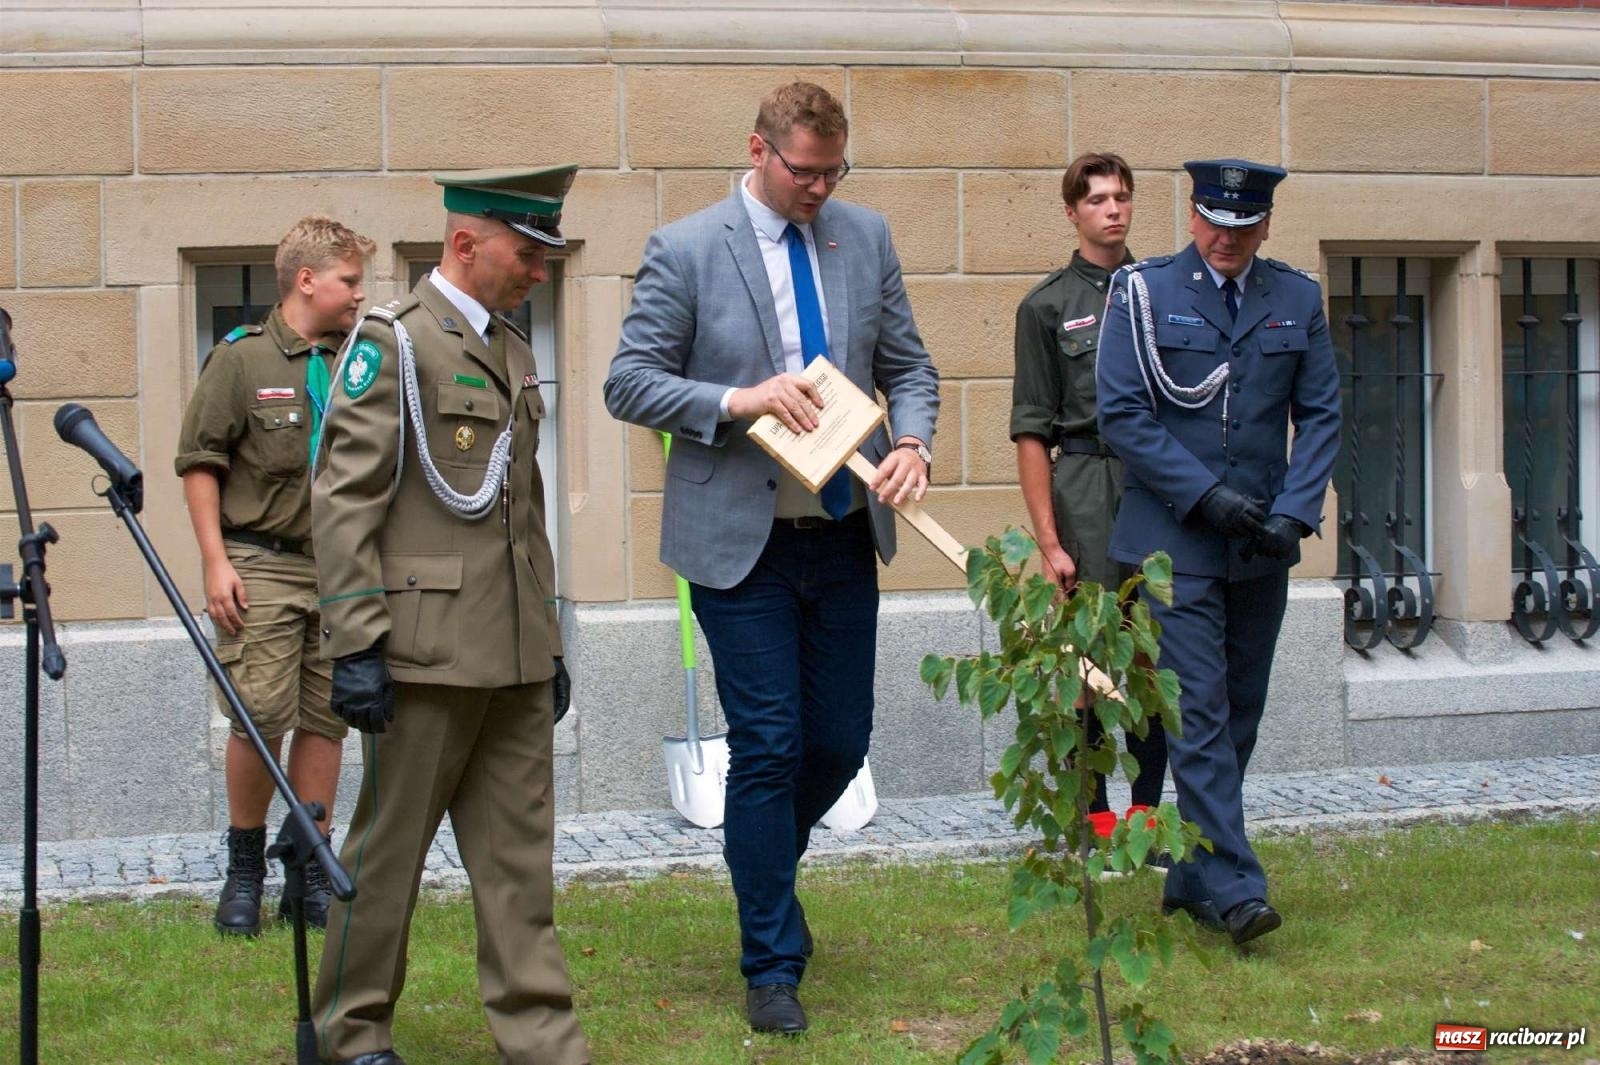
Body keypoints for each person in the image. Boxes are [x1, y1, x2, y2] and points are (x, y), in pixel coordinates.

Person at [604, 81, 940, 1035]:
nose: (820, 189)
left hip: (842, 533)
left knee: (838, 741)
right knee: (769, 743)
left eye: (835, 172)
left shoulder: (864, 237)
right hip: (735, 546)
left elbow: (910, 366)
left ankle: (764, 872)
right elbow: (628, 382)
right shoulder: (686, 246)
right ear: (758, 149)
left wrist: (911, 441)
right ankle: (771, 961)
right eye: (804, 171)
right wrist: (740, 400)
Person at [310, 166, 588, 1065]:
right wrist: (355, 642)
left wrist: (545, 636)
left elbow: (525, 509)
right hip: (420, 656)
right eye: (527, 252)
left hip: (510, 654)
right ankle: (351, 1031)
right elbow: (343, 501)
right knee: (387, 855)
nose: (540, 271)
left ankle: (543, 1040)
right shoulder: (390, 343)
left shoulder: (510, 345)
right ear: (465, 245)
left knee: (519, 863)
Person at [1095, 158, 1341, 945]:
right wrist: (1205, 496)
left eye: (1243, 226)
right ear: (1193, 215)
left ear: (1265, 224)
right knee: (1199, 711)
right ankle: (1238, 888)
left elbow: (1325, 414)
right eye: (1213, 222)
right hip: (1176, 542)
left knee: (1239, 712)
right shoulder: (1145, 293)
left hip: (1260, 544)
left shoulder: (1296, 297)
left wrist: (1297, 515)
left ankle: (1191, 871)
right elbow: (1123, 415)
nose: (1226, 238)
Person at [175, 214, 375, 937]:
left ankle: (310, 867)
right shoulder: (242, 360)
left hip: (342, 569)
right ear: (307, 280)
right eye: (350, 281)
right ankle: (245, 868)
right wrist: (214, 560)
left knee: (328, 718)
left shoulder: (362, 360)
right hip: (261, 560)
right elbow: (201, 462)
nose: (360, 294)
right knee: (260, 714)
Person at [1009, 152, 1167, 836]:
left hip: (1159, 484)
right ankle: (1097, 813)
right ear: (1072, 211)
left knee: (1154, 655)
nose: (1113, 209)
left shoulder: (1163, 292)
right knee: (1091, 655)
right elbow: (1031, 431)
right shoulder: (1046, 306)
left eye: (1122, 197)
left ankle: (1150, 812)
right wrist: (1048, 540)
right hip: (1085, 484)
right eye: (1098, 198)